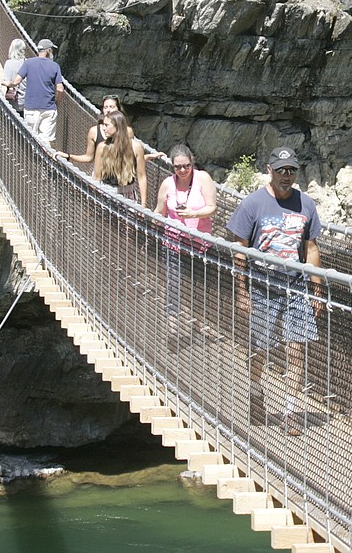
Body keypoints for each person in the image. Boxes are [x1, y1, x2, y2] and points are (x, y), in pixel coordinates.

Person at [226, 146, 324, 436]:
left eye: (291, 170)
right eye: (281, 170)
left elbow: (311, 247)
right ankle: (256, 393)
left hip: (295, 287)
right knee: (261, 349)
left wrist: (316, 289)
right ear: (269, 170)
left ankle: (291, 411)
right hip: (261, 286)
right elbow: (238, 251)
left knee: (296, 350)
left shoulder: (306, 204)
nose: (286, 175)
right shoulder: (252, 204)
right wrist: (241, 292)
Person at [155, 144, 218, 321]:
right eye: (178, 167)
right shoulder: (168, 183)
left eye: (186, 166)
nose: (183, 170)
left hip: (200, 245)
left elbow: (212, 208)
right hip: (173, 243)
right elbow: (159, 211)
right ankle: (172, 322)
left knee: (199, 286)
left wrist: (194, 213)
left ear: (192, 162)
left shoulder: (203, 178)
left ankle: (198, 321)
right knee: (173, 282)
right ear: (172, 167)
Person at [1, 38, 63, 146]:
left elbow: (16, 82)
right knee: (46, 139)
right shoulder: (55, 66)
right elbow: (60, 89)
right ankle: (45, 161)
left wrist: (7, 83)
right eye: (52, 50)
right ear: (48, 51)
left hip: (30, 108)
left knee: (31, 138)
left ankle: (32, 158)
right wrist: (57, 103)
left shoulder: (28, 63)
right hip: (48, 108)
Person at [54, 94, 133, 168]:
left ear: (118, 109)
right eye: (105, 107)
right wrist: (68, 156)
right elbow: (89, 157)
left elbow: (131, 156)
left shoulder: (127, 131)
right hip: (101, 177)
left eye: (112, 107)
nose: (108, 110)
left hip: (122, 176)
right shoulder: (94, 131)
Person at [92, 110, 148, 207]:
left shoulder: (136, 147)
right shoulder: (102, 147)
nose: (103, 128)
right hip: (106, 193)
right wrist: (93, 199)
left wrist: (143, 204)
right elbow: (97, 176)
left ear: (117, 126)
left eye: (106, 125)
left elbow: (141, 176)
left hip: (128, 196)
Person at [1, 39, 26, 111]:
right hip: (27, 102)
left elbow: (7, 82)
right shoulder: (27, 63)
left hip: (14, 101)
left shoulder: (9, 63)